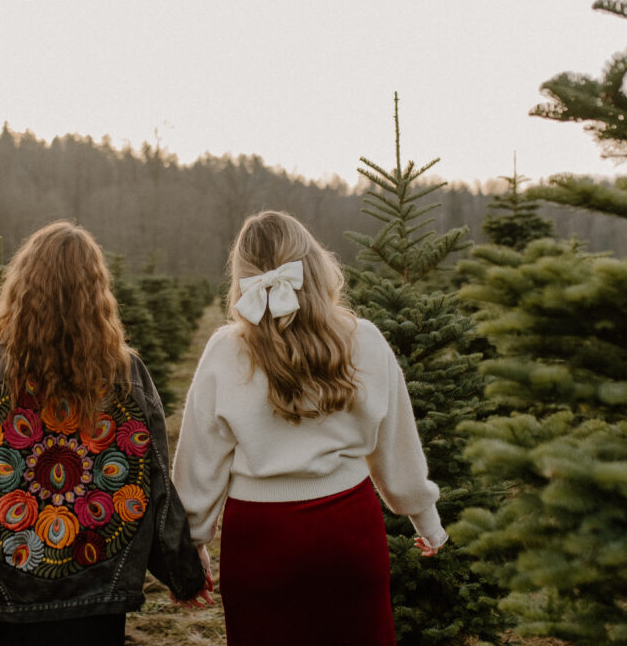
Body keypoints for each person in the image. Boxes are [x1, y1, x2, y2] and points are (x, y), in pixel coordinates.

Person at [0, 221, 212, 646]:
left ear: (21, 289)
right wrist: (183, 573)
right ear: (97, 293)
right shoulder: (126, 375)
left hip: (6, 602)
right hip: (98, 601)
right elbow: (153, 486)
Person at [172, 210, 448, 645]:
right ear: (316, 265)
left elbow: (199, 460)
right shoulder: (366, 339)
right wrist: (426, 520)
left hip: (261, 542)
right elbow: (397, 445)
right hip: (348, 531)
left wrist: (192, 541)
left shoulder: (226, 350)